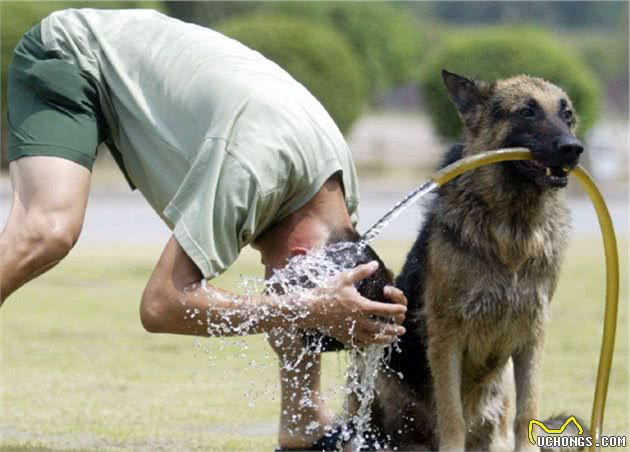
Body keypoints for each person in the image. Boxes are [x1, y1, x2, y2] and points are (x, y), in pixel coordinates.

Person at [0, 8, 407, 449]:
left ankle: (303, 421)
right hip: (71, 53)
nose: (281, 282)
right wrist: (310, 307)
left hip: (139, 64)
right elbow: (161, 305)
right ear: (300, 257)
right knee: (47, 230)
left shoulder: (337, 203)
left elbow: (301, 289)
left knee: (304, 299)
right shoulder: (250, 170)